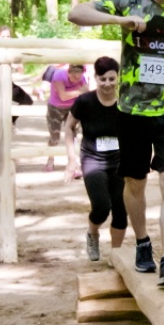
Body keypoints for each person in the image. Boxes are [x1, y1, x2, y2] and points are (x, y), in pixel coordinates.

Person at [68, 0, 164, 288]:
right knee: (135, 182)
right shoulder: (129, 1)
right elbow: (77, 14)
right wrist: (119, 21)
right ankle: (142, 243)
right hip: (132, 113)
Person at [63, 56, 127, 261]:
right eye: (103, 79)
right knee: (101, 206)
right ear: (95, 79)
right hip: (93, 159)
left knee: (120, 209)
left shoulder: (126, 102)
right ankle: (92, 232)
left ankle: (116, 255)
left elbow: (138, 131)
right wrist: (72, 159)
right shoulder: (85, 102)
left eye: (111, 79)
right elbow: (69, 127)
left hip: (120, 161)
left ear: (118, 78)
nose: (107, 84)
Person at [45, 63, 90, 172]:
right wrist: (79, 91)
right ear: (68, 72)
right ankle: (50, 159)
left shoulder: (82, 78)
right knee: (54, 137)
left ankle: (73, 162)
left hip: (72, 108)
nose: (76, 79)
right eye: (74, 76)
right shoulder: (59, 75)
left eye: (79, 76)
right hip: (55, 108)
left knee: (73, 135)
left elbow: (85, 94)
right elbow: (63, 96)